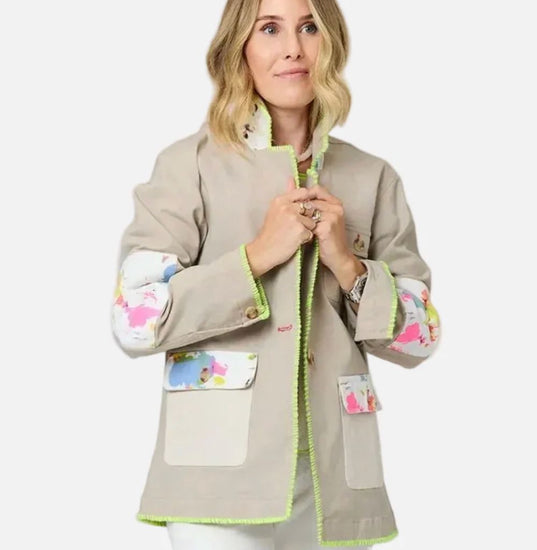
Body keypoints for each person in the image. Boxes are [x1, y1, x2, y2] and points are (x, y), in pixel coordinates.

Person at [110, 0, 442, 548]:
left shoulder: (372, 177)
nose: (293, 48)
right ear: (238, 47)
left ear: (330, 41)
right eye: (269, 29)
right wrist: (257, 256)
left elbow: (421, 338)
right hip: (216, 475)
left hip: (335, 477)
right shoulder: (189, 165)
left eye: (309, 27)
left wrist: (348, 265)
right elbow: (134, 321)